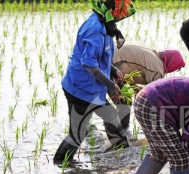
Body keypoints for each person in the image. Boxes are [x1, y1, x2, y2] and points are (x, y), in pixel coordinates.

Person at [54, 0, 136, 162]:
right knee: (78, 132)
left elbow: (99, 57)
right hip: (81, 89)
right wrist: (111, 85)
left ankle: (120, 156)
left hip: (92, 88)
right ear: (111, 12)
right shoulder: (95, 30)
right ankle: (60, 164)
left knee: (111, 116)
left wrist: (113, 71)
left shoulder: (103, 24)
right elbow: (89, 64)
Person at [112, 42, 185, 128]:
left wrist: (136, 88)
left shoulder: (153, 53)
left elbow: (131, 67)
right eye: (177, 68)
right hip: (112, 62)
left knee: (125, 101)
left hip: (111, 53)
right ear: (173, 63)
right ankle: (120, 130)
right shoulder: (156, 70)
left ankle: (122, 130)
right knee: (123, 102)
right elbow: (154, 96)